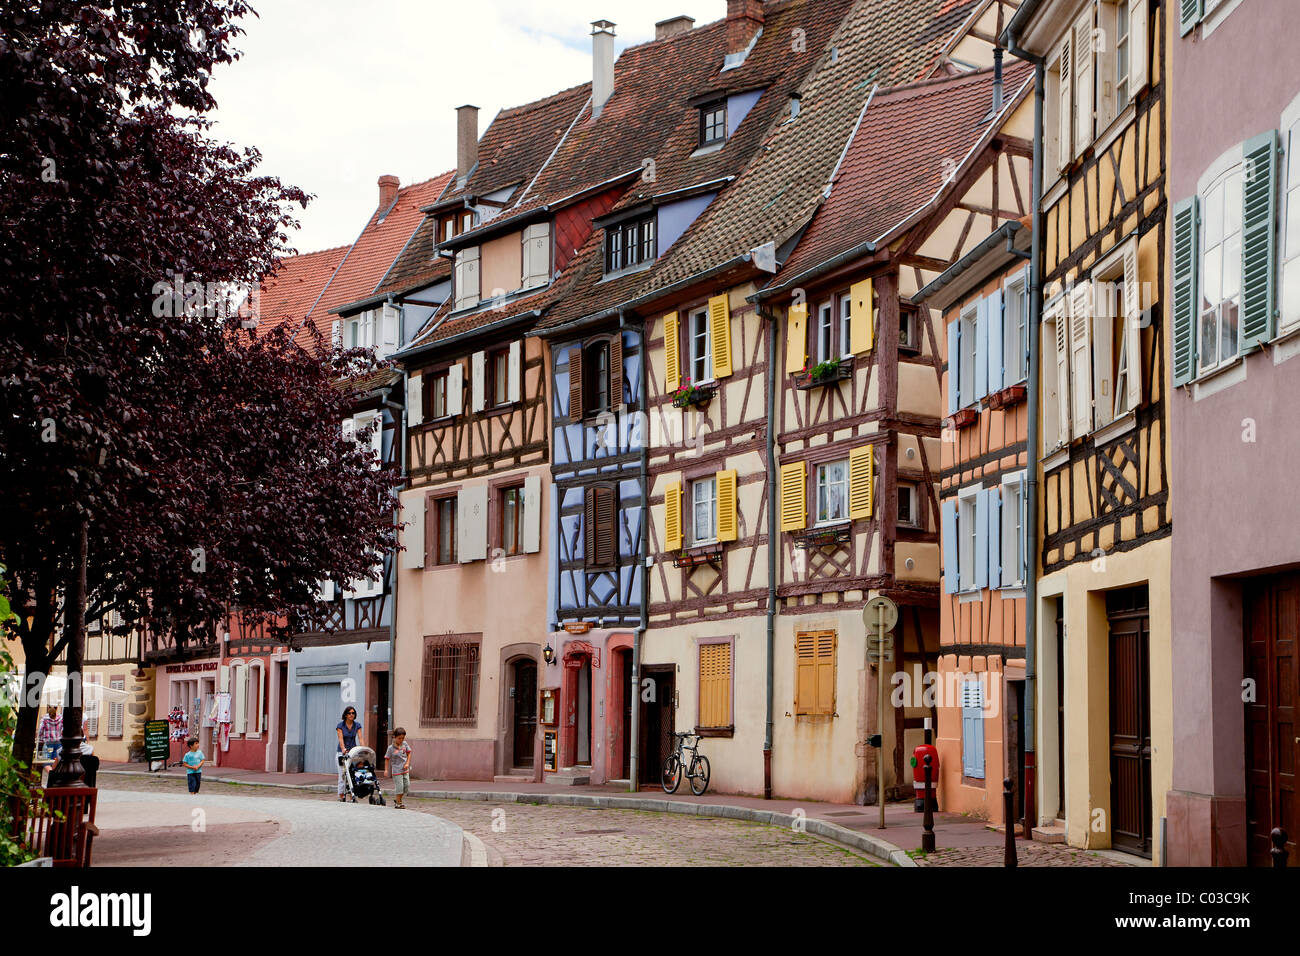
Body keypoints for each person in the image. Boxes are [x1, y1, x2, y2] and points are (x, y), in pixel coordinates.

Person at [335, 706, 362, 801]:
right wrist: (343, 749)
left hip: (353, 752)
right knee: (342, 775)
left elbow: (360, 738)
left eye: (353, 713)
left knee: (353, 774)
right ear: (346, 715)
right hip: (342, 753)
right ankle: (341, 795)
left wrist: (363, 749)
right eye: (349, 713)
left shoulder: (357, 725)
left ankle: (352, 795)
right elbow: (340, 739)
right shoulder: (340, 726)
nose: (351, 715)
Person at [385, 727, 412, 809]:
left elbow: (409, 753)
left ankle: (398, 800)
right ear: (394, 737)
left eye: (402, 738)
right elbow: (387, 758)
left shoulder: (405, 744)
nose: (401, 740)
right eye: (399, 738)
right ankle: (398, 803)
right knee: (399, 787)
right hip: (396, 770)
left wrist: (407, 763)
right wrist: (386, 770)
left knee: (406, 786)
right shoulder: (390, 748)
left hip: (405, 769)